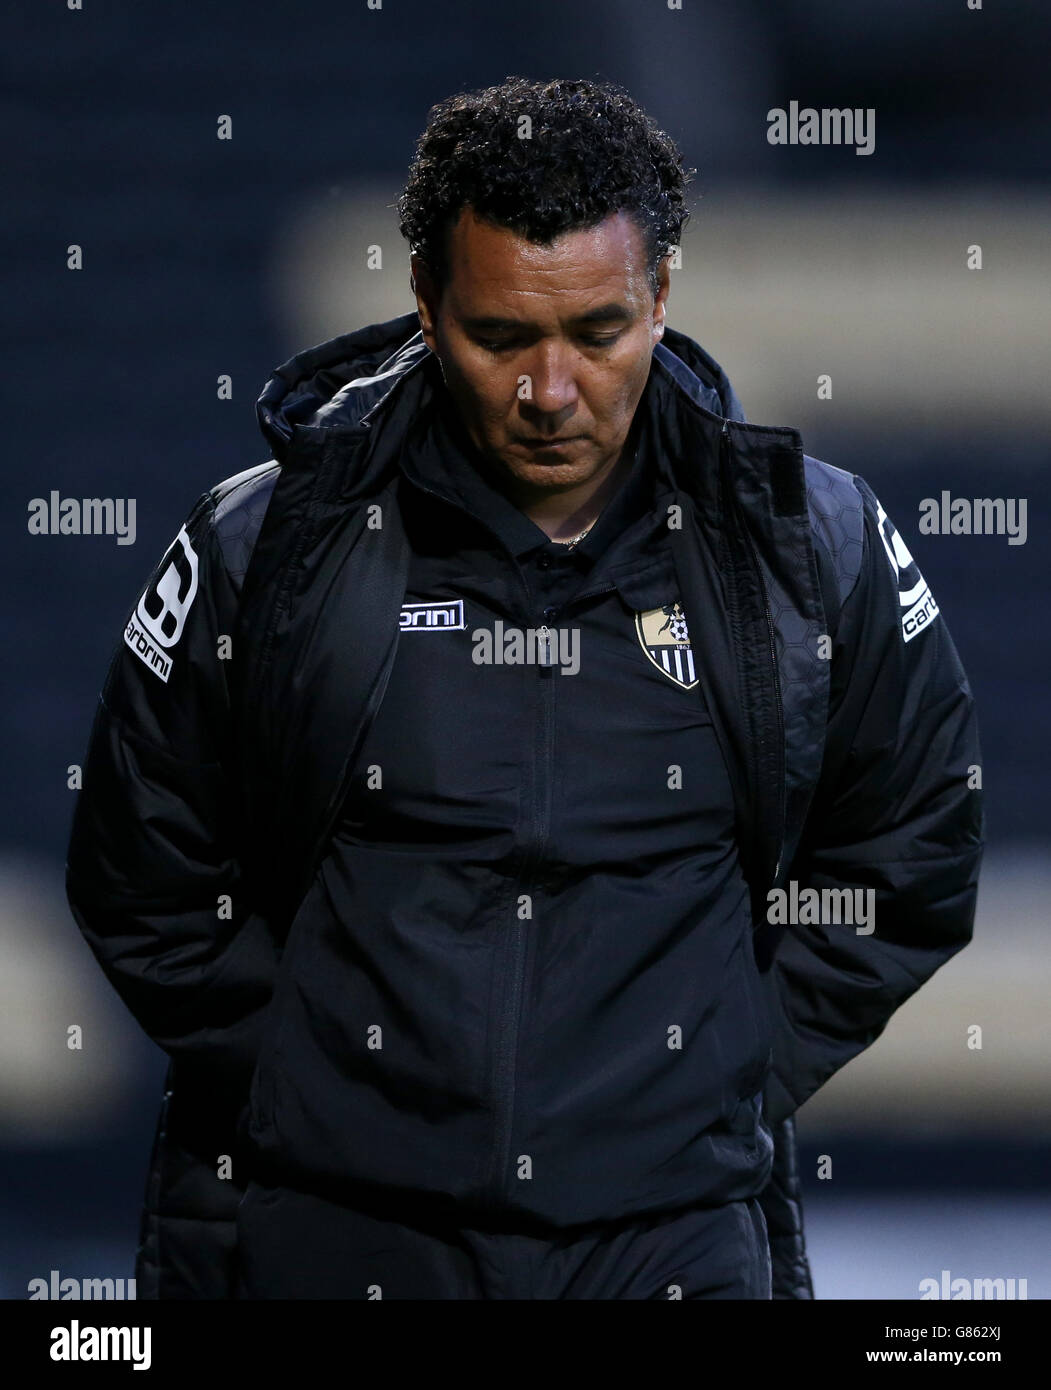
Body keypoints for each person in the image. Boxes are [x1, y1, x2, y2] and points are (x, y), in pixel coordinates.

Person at [65, 76, 983, 1300]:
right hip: (344, 1233)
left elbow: (913, 850)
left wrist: (724, 1068)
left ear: (660, 299)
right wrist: (308, 1081)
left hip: (676, 1235)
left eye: (596, 333)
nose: (549, 392)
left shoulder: (812, 547)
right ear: (426, 304)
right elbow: (142, 874)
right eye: (501, 336)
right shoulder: (263, 547)